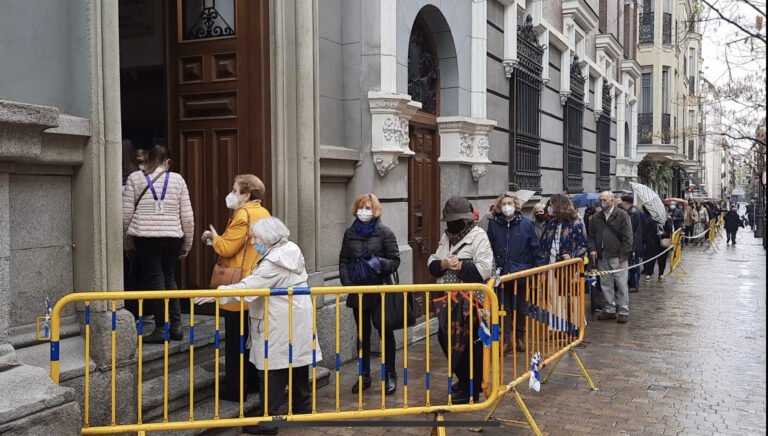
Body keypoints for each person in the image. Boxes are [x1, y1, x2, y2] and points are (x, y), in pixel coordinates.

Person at [195, 217, 320, 435]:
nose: (253, 242)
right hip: (294, 315)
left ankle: (268, 419)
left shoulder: (274, 262)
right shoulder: (290, 249)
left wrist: (217, 293)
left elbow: (250, 286)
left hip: (278, 318)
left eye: (256, 238)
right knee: (296, 358)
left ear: (269, 239)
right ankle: (302, 405)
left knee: (271, 366)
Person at [200, 175, 270, 402]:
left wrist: (213, 237)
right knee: (250, 339)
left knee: (235, 340)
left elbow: (227, 248)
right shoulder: (264, 213)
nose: (231, 194)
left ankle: (234, 390)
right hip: (255, 284)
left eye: (235, 190)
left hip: (238, 284)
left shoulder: (243, 214)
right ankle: (250, 383)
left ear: (246, 194)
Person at [123, 145, 194, 343]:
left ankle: (161, 328)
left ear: (148, 159)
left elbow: (126, 215)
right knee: (169, 277)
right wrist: (186, 244)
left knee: (155, 279)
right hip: (172, 236)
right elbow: (187, 216)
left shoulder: (135, 179)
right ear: (168, 162)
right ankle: (177, 326)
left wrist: (127, 243)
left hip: (146, 236)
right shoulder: (177, 179)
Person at [428, 196, 493, 404]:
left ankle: (470, 389)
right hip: (447, 302)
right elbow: (432, 262)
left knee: (470, 347)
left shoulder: (478, 236)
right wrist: (444, 264)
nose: (452, 224)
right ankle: (464, 381)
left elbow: (484, 269)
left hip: (471, 304)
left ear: (466, 219)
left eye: (456, 220)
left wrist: (460, 266)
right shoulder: (446, 237)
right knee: (445, 339)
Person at [338, 193, 400, 395]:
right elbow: (344, 260)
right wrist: (348, 284)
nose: (364, 211)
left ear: (376, 211)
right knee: (362, 336)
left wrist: (378, 263)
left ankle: (390, 374)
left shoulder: (385, 233)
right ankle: (363, 375)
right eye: (361, 207)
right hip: (359, 292)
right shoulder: (350, 233)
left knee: (385, 333)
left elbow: (394, 261)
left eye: (368, 208)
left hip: (380, 290)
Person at [485, 192, 541, 354]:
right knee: (504, 307)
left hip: (521, 272)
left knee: (522, 306)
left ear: (516, 205)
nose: (506, 207)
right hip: (501, 273)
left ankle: (520, 336)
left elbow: (535, 248)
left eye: (509, 203)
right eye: (503, 204)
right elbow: (490, 247)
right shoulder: (494, 224)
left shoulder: (526, 224)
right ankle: (507, 338)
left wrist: (537, 270)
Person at [587, 191, 633, 324]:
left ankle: (623, 310)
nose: (602, 202)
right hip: (602, 256)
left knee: (621, 284)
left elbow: (628, 237)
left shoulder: (622, 215)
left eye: (605, 199)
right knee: (606, 284)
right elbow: (591, 236)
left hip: (618, 256)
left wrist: (624, 255)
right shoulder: (596, 217)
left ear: (612, 200)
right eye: (601, 199)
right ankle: (610, 309)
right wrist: (593, 249)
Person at [620, 195, 645, 293]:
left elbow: (630, 229)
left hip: (634, 243)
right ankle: (634, 283)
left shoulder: (632, 213)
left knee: (634, 264)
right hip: (636, 242)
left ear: (626, 203)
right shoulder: (635, 211)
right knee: (634, 263)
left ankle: (634, 284)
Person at [642, 207, 673, 282]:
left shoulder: (667, 220)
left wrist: (668, 220)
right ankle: (649, 273)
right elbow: (647, 231)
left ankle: (661, 274)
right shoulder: (651, 220)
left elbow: (669, 231)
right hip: (653, 243)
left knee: (662, 259)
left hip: (663, 242)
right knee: (651, 258)